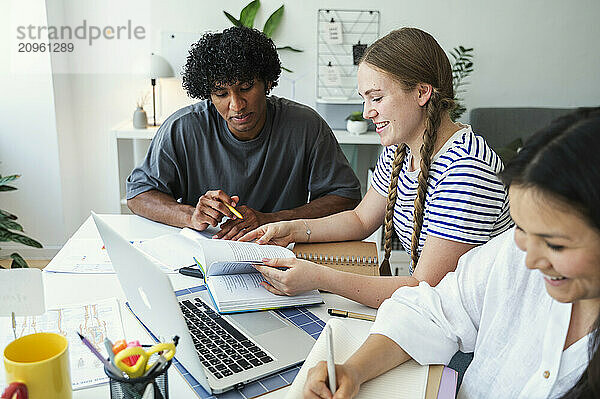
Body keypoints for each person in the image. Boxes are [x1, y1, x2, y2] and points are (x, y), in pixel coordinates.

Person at [302, 107, 600, 399]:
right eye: (522, 229)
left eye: (556, 245)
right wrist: (353, 370)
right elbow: (433, 310)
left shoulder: (467, 167)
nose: (531, 260)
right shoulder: (510, 254)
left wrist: (322, 276)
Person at [241, 28, 512, 308]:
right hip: (439, 315)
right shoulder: (401, 149)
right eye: (364, 98)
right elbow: (359, 220)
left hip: (477, 327)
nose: (368, 111)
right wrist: (293, 229)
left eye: (377, 98)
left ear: (422, 92)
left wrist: (320, 278)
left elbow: (424, 288)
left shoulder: (467, 169)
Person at [126, 27, 361, 240]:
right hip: (205, 254)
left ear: (267, 82)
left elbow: (346, 197)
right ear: (208, 94)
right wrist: (191, 215)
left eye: (245, 88)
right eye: (221, 93)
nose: (237, 105)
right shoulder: (183, 128)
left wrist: (272, 219)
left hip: (283, 252)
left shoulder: (306, 126)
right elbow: (139, 194)